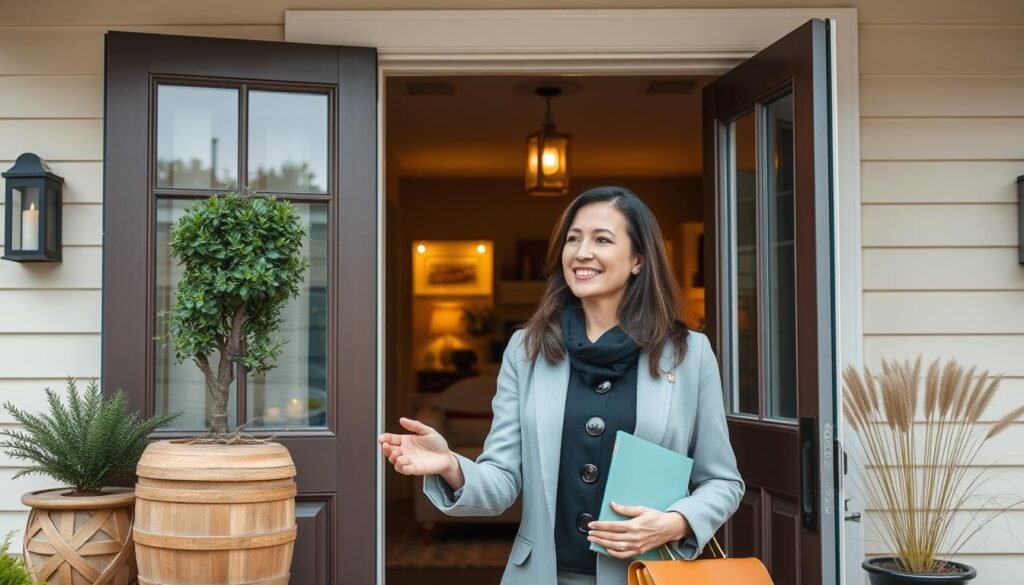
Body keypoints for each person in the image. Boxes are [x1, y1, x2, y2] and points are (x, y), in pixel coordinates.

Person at [379, 186, 743, 585]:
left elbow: (722, 481)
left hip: (646, 576)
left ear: (638, 259)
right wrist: (451, 465)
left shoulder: (688, 354)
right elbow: (502, 481)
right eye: (573, 238)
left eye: (602, 239)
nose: (581, 252)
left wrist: (675, 523)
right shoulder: (527, 349)